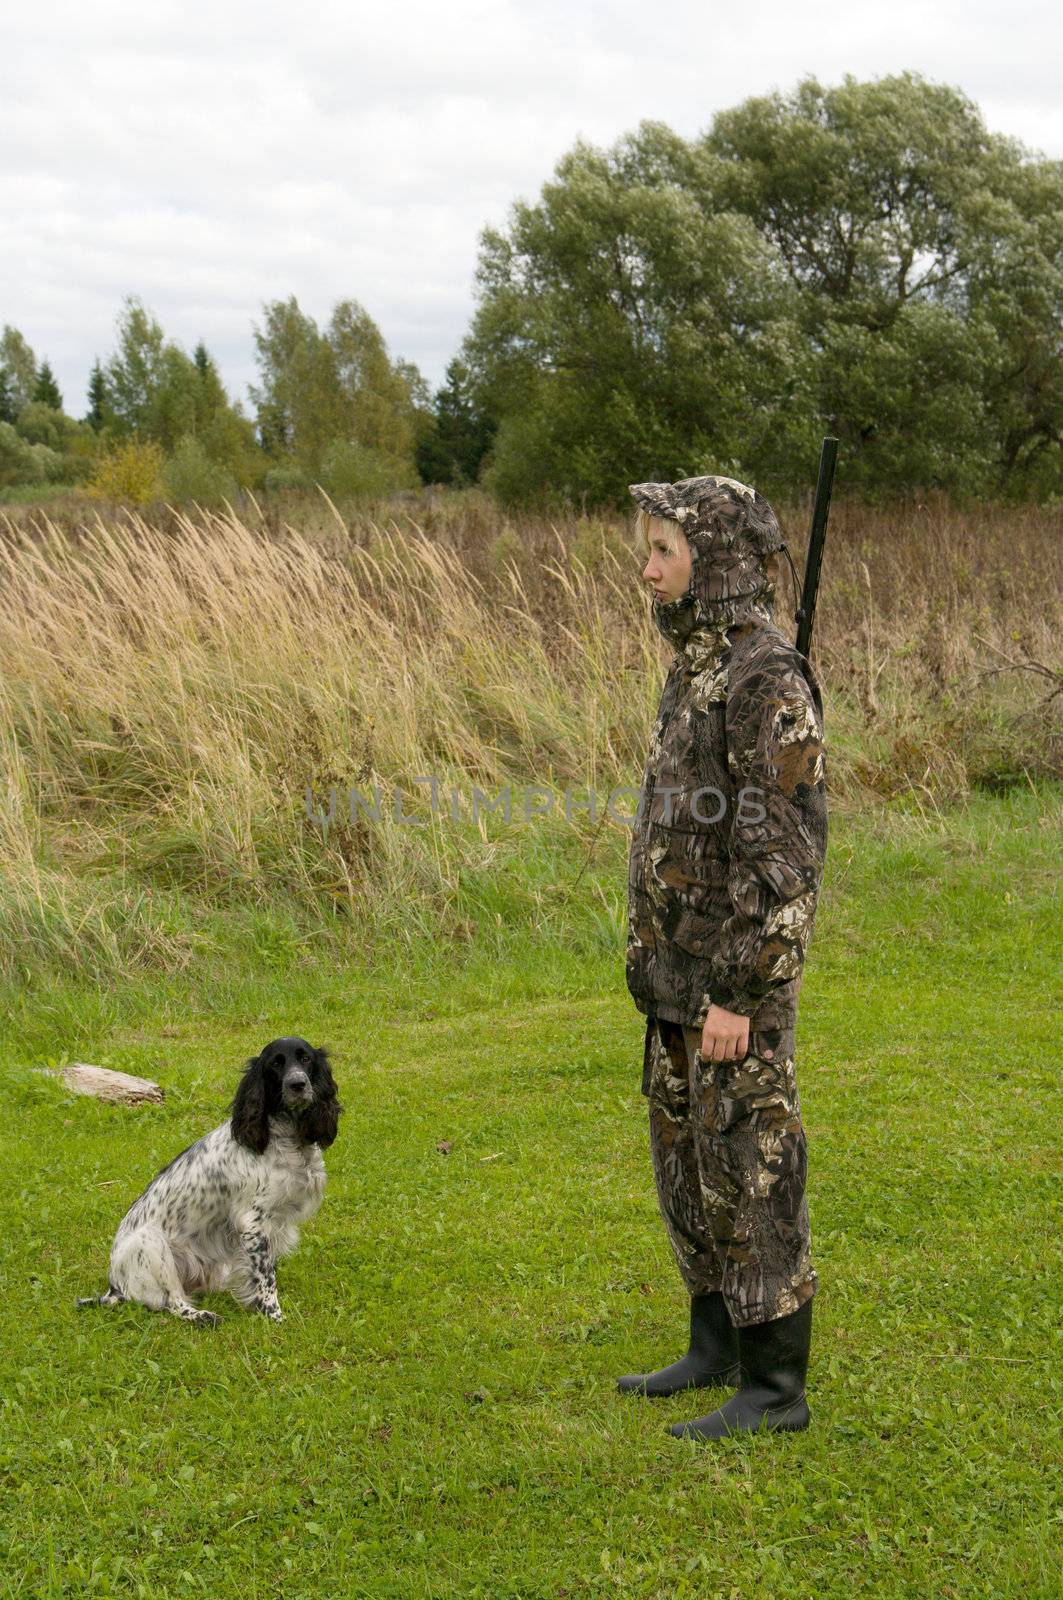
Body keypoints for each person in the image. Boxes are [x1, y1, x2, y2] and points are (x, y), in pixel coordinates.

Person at [617, 474, 828, 1440]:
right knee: (686, 1158)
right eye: (647, 547)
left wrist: (742, 991)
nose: (646, 566)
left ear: (719, 562)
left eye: (664, 549)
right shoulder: (696, 664)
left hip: (732, 986)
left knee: (748, 1160)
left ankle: (774, 1386)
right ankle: (714, 1343)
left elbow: (782, 858)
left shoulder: (763, 677)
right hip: (674, 978)